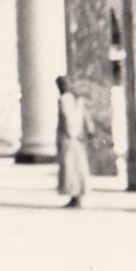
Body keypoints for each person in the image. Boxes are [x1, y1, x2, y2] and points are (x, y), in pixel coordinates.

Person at [56, 75, 89, 208]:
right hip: (74, 136)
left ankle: (76, 196)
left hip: (69, 137)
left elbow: (68, 118)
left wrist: (72, 133)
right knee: (75, 166)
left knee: (71, 166)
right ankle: (76, 195)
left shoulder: (64, 99)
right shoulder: (74, 99)